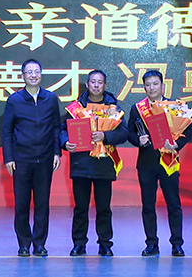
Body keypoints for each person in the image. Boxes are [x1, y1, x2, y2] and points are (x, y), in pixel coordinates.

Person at [60, 70, 128, 257]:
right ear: (87, 84)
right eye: (93, 82)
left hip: (103, 164)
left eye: (100, 82)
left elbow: (124, 132)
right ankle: (79, 244)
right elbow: (62, 130)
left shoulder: (113, 107)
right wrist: (65, 143)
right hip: (81, 164)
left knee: (103, 208)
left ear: (104, 85)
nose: (96, 85)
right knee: (80, 208)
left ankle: (105, 244)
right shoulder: (76, 107)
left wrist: (106, 136)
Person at [127, 70, 192, 257]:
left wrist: (177, 144)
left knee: (173, 204)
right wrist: (137, 140)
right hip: (146, 164)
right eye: (148, 84)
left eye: (155, 84)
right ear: (144, 87)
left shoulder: (174, 107)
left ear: (163, 86)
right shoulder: (137, 108)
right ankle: (151, 244)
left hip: (168, 161)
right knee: (148, 206)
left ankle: (177, 244)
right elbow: (129, 132)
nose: (152, 88)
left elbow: (190, 130)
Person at [1, 59, 62, 257]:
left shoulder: (50, 98)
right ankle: (24, 244)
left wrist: (57, 152)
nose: (33, 75)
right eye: (29, 72)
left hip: (44, 159)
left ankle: (40, 244)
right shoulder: (15, 100)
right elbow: (7, 131)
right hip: (22, 161)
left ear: (41, 75)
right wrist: (9, 157)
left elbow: (56, 127)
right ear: (23, 76)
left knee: (42, 204)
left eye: (37, 71)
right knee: (22, 205)